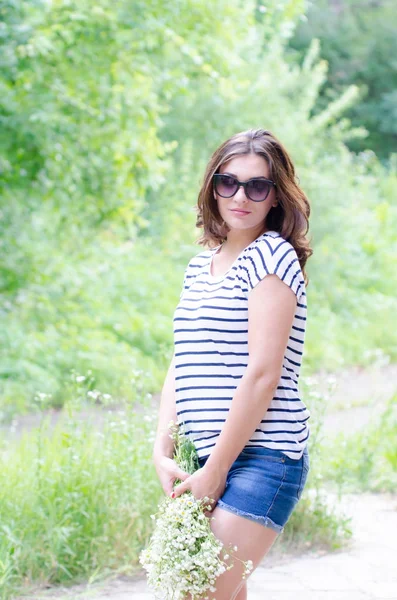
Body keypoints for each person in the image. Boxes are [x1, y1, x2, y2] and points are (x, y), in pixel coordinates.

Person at [153, 128, 313, 600]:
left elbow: (263, 375)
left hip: (262, 458)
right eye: (229, 182)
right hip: (202, 455)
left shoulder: (272, 256)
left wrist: (217, 469)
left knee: (196, 592)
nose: (240, 196)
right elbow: (181, 362)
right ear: (212, 187)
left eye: (257, 186)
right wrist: (161, 448)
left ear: (275, 197)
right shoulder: (199, 266)